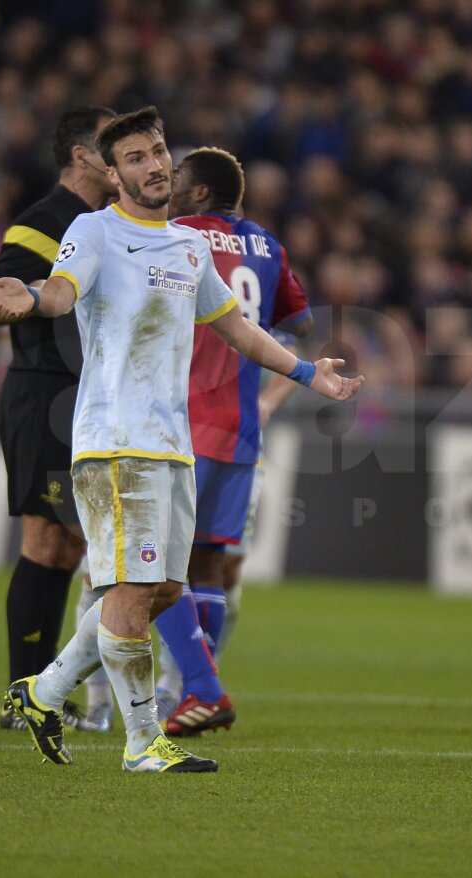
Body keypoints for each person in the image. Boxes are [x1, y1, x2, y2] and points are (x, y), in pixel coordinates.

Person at [0, 106, 364, 773]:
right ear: (111, 172)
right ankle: (142, 745)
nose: (155, 165)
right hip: (115, 441)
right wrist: (27, 294)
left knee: (160, 591)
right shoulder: (94, 229)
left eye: (159, 152)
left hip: (173, 446)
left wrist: (309, 374)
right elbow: (62, 292)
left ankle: (44, 692)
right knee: (132, 593)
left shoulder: (189, 247)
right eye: (135, 157)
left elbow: (240, 330)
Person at [153, 146, 312, 737]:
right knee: (209, 567)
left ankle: (186, 688)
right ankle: (186, 687)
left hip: (183, 421)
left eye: (176, 181)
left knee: (148, 566)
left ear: (198, 194)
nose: (166, 187)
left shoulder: (177, 233)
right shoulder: (268, 245)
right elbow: (300, 323)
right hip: (242, 426)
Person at [0, 106, 118, 731]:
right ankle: (21, 694)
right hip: (45, 394)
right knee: (46, 542)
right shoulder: (46, 223)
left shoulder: (106, 224)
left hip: (84, 398)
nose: (125, 160)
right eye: (114, 148)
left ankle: (38, 692)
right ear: (82, 156)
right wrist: (20, 303)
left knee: (68, 547)